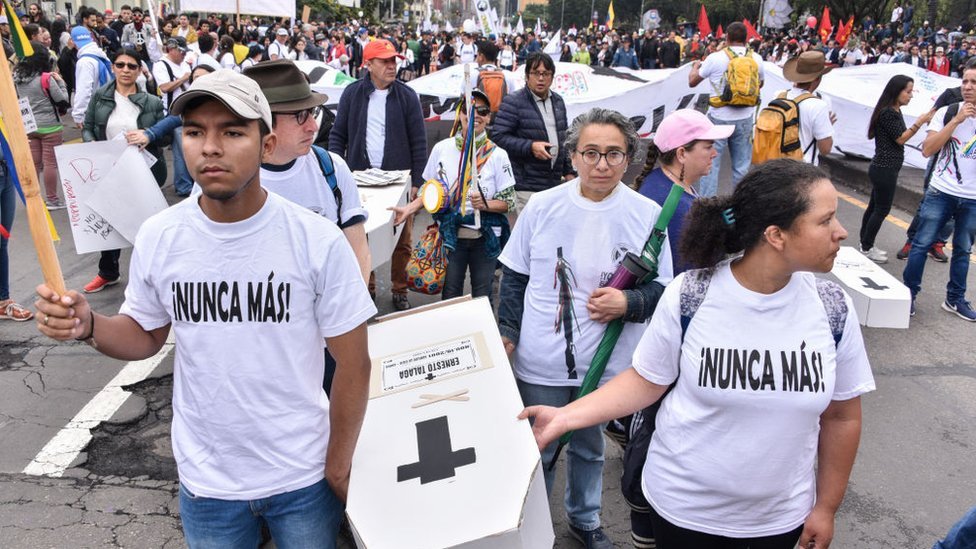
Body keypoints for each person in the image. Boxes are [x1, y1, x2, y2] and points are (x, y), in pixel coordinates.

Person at [34, 68, 375, 548]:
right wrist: (89, 324)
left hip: (302, 477)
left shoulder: (316, 241)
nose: (210, 147)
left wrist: (338, 464)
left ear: (267, 144)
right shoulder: (161, 236)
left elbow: (354, 363)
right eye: (194, 132)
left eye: (233, 132)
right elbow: (143, 333)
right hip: (208, 484)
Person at [520, 158, 874, 549]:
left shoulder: (832, 308)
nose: (840, 233)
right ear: (776, 235)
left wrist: (826, 507)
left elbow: (841, 416)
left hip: (779, 520)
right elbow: (645, 380)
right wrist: (565, 416)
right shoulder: (692, 294)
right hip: (682, 512)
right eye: (826, 221)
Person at [497, 108, 674, 549]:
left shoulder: (647, 214)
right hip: (541, 357)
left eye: (614, 154)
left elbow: (663, 289)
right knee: (539, 449)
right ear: (572, 156)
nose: (602, 164)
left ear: (629, 157)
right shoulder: (541, 205)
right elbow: (515, 276)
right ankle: (531, 527)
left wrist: (628, 302)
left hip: (606, 361)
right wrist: (508, 333)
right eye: (590, 153)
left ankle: (584, 519)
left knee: (590, 446)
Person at [243, 59, 371, 395]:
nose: (314, 126)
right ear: (264, 122)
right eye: (301, 116)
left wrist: (347, 324)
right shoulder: (230, 178)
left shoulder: (331, 168)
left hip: (327, 342)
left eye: (313, 114)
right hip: (260, 350)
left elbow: (357, 248)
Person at [329, 38, 427, 311]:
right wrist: (337, 173)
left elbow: (419, 142)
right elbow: (338, 135)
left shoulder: (407, 96)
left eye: (393, 60)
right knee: (363, 235)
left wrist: (417, 182)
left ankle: (400, 288)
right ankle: (367, 286)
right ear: (368, 64)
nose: (391, 66)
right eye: (384, 61)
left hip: (398, 180)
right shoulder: (352, 94)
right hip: (360, 180)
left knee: (402, 239)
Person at [391, 90, 515, 306]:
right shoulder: (442, 149)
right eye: (469, 109)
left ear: (488, 117)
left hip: (485, 238)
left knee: (482, 298)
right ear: (460, 114)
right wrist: (410, 209)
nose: (476, 115)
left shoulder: (497, 155)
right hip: (450, 236)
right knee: (450, 296)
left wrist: (485, 205)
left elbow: (508, 202)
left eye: (482, 111)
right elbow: (428, 191)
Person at [81, 47, 167, 294]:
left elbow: (165, 136)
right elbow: (87, 127)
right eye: (120, 65)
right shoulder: (100, 97)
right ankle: (108, 272)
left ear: (139, 70)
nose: (125, 70)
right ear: (113, 67)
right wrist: (93, 146)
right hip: (111, 168)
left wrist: (148, 137)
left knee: (148, 223)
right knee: (110, 221)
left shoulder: (151, 101)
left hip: (145, 170)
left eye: (131, 66)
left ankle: (154, 274)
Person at [903, 64, 976, 321]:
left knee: (963, 250)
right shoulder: (947, 112)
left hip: (972, 198)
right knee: (921, 243)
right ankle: (908, 294)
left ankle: (954, 299)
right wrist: (957, 121)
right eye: (965, 81)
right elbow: (927, 149)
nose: (967, 87)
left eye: (973, 83)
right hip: (941, 191)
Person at [637, 109, 731, 275]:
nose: (715, 154)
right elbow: (691, 276)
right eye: (708, 147)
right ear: (681, 154)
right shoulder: (677, 207)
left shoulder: (661, 179)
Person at [859, 75, 934, 264]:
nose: (911, 96)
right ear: (896, 91)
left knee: (874, 207)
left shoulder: (893, 110)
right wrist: (920, 122)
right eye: (908, 92)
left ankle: (865, 244)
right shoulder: (888, 113)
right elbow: (900, 138)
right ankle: (867, 247)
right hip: (884, 168)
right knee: (881, 209)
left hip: (883, 167)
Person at [688, 22, 764, 197]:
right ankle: (741, 207)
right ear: (746, 39)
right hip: (745, 117)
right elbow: (759, 84)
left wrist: (695, 68)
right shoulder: (757, 59)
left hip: (718, 117)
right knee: (741, 166)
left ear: (727, 38)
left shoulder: (715, 58)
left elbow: (692, 82)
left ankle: (708, 207)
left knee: (711, 164)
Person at [493, 52, 574, 216]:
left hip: (553, 185)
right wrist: (530, 147)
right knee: (529, 237)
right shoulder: (513, 101)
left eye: (546, 74)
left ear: (552, 76)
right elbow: (498, 137)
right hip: (526, 186)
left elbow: (562, 138)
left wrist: (569, 172)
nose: (541, 78)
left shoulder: (558, 101)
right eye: (536, 73)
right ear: (527, 76)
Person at [14, 41, 69, 210]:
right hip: (50, 126)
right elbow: (63, 100)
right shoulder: (46, 78)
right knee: (50, 164)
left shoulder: (18, 79)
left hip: (30, 126)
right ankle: (52, 199)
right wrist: (60, 82)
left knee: (35, 164)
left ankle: (33, 199)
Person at [153, 36, 194, 197]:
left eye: (185, 52)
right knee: (181, 151)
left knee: (189, 148)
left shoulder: (184, 63)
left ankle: (190, 183)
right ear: (171, 49)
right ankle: (183, 186)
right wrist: (183, 78)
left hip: (188, 111)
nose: (183, 55)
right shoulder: (161, 65)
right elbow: (164, 87)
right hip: (173, 112)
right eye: (181, 51)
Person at [781, 51, 836, 166]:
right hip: (802, 168)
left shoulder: (779, 96)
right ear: (818, 78)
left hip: (777, 164)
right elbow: (825, 149)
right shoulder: (820, 104)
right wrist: (827, 125)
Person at [70, 25, 111, 130]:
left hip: (94, 112)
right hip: (109, 107)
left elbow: (84, 89)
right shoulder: (101, 56)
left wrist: (79, 115)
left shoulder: (84, 62)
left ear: (73, 42)